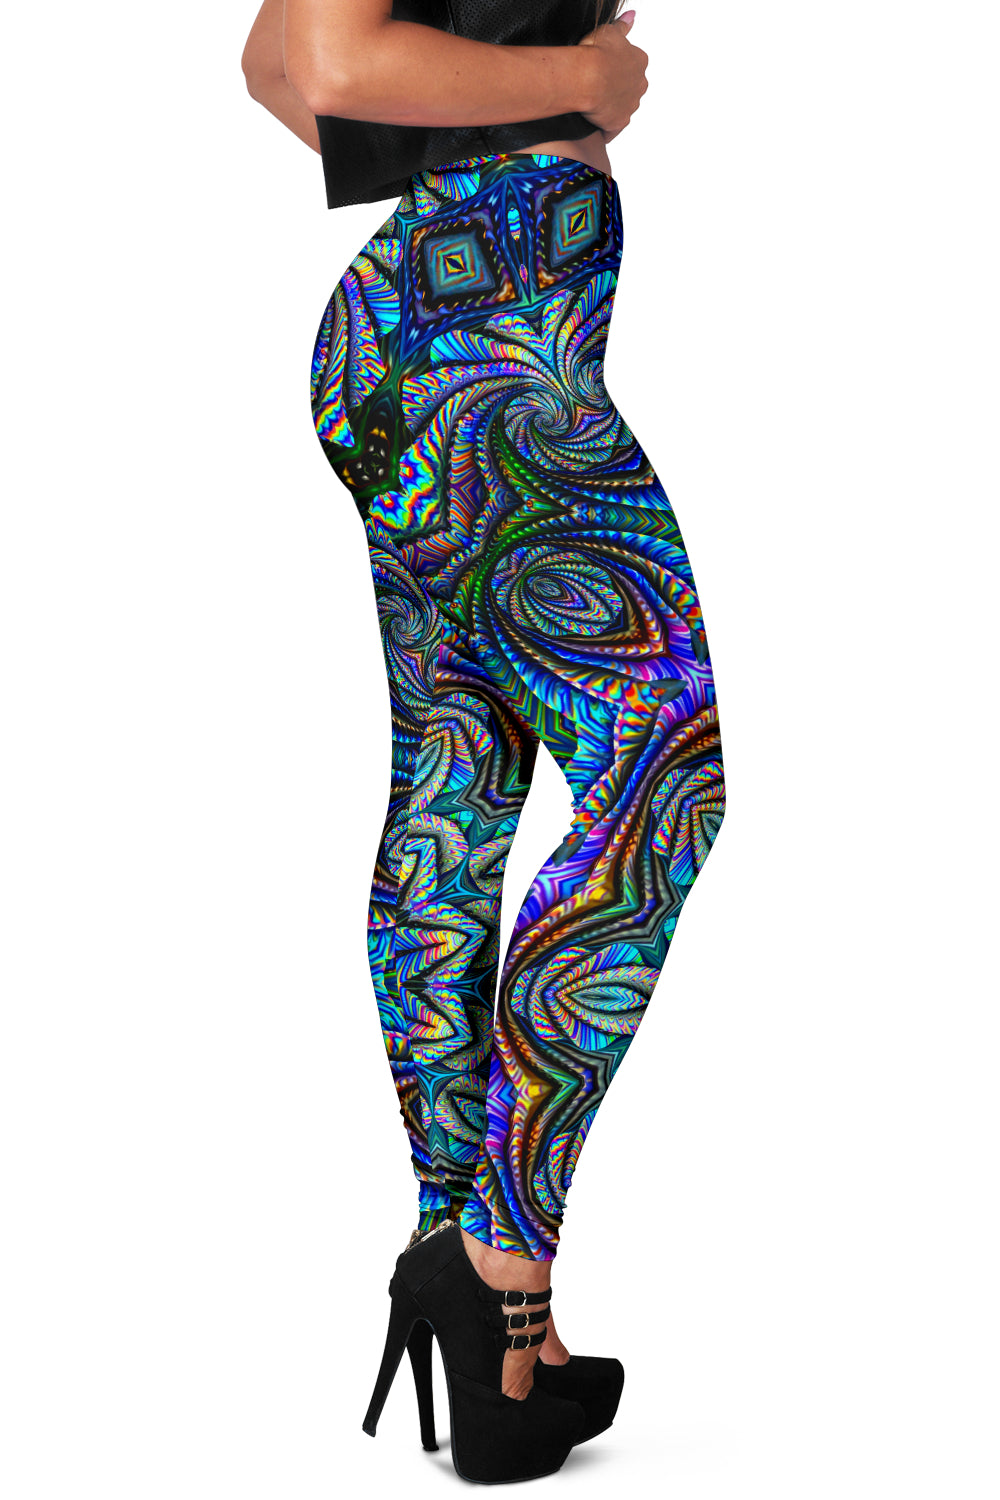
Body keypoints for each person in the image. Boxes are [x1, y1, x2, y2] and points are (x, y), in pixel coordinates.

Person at [242, 0, 726, 1481]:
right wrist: (578, 79)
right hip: (479, 352)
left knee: (457, 792)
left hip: (436, 333)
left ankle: (483, 1300)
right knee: (664, 779)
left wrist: (477, 138)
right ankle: (501, 1262)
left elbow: (270, 65)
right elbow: (325, 65)